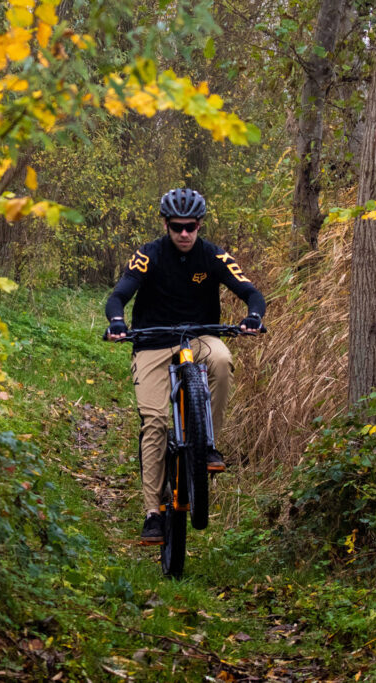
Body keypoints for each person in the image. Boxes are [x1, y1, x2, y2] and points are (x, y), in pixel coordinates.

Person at [105, 188, 266, 544]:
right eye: (177, 227)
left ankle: (205, 445)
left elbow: (251, 291)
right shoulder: (148, 255)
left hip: (200, 337)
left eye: (191, 227)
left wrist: (253, 317)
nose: (184, 234)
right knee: (156, 422)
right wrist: (117, 321)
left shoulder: (213, 255)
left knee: (222, 357)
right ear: (165, 224)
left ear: (200, 225)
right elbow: (119, 294)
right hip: (152, 341)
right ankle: (152, 512)